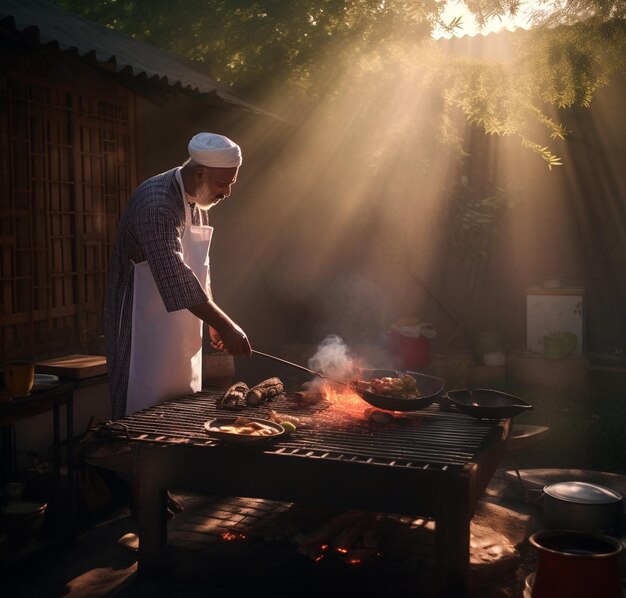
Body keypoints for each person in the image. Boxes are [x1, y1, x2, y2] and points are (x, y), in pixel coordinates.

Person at [105, 132, 252, 421]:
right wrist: (226, 325)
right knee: (139, 418)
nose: (227, 193)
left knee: (180, 413)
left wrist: (212, 320)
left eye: (231, 183)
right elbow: (174, 275)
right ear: (199, 173)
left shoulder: (198, 200)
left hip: (180, 329)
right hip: (142, 328)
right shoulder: (157, 204)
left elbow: (198, 268)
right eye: (223, 184)